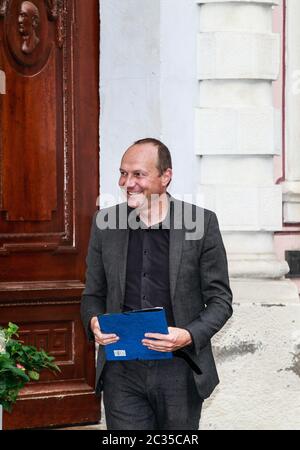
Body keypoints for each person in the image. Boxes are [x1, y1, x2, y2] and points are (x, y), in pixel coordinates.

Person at [80, 138, 233, 430]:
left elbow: (220, 301)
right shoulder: (104, 223)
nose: (127, 183)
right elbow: (93, 294)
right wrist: (93, 321)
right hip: (121, 371)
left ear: (166, 177)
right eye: (123, 173)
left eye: (138, 174)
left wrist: (188, 334)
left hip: (180, 370)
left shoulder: (201, 224)